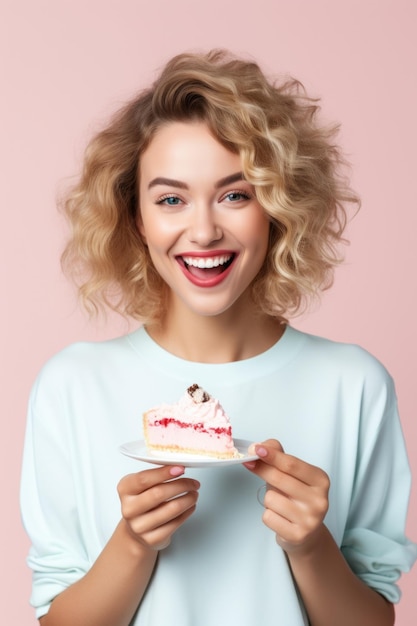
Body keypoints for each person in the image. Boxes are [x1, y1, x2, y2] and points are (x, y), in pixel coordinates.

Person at [20, 49, 416, 626]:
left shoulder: (354, 385)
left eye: (236, 194)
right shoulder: (72, 386)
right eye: (170, 199)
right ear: (137, 218)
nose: (203, 230)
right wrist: (133, 543)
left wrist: (311, 547)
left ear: (278, 207)